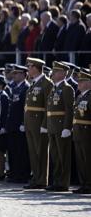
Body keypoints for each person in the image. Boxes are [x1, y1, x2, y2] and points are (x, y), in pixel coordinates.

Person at [23, 57, 53, 190]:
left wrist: (45, 125)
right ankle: (35, 177)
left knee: (40, 152)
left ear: (36, 68)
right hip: (30, 122)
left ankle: (42, 179)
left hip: (39, 122)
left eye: (29, 67)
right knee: (33, 152)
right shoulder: (34, 83)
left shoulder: (47, 83)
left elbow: (48, 106)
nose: (28, 69)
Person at [45, 61, 74, 192]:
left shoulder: (67, 88)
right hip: (52, 126)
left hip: (62, 127)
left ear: (63, 73)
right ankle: (57, 181)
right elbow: (49, 109)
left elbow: (69, 110)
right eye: (53, 71)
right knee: (55, 156)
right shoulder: (54, 88)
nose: (53, 73)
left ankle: (63, 183)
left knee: (63, 156)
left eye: (56, 71)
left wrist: (67, 127)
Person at [5, 65, 31, 183]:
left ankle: (22, 174)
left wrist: (23, 123)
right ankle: (14, 173)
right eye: (13, 73)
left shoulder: (26, 88)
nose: (14, 75)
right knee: (12, 151)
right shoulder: (13, 87)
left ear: (23, 75)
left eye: (17, 73)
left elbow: (26, 108)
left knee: (21, 151)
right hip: (11, 125)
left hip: (20, 125)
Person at [72, 69, 91, 194]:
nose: (78, 83)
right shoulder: (80, 96)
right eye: (78, 81)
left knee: (88, 159)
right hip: (78, 131)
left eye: (82, 81)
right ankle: (83, 183)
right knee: (80, 159)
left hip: (87, 131)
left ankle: (89, 184)